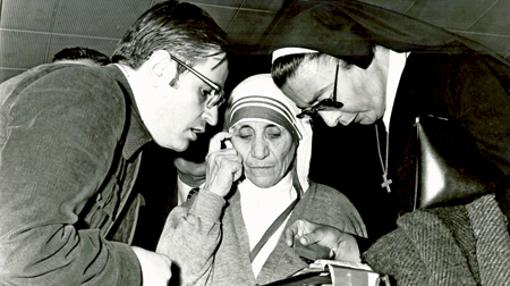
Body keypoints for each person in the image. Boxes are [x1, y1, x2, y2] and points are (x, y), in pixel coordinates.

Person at [0, 1, 228, 285]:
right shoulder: (89, 91)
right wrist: (135, 267)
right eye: (207, 91)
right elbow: (20, 252)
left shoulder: (126, 139)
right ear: (161, 69)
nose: (213, 115)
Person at [263, 0, 510, 245]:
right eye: (314, 111)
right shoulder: (380, 123)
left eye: (327, 100)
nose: (330, 121)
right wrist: (349, 247)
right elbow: (426, 240)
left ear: (353, 53)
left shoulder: (457, 74)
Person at [156, 74, 367, 286]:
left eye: (274, 134)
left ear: (299, 137)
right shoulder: (196, 211)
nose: (259, 152)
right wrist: (210, 198)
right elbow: (168, 280)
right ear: (228, 140)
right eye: (245, 136)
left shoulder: (334, 208)